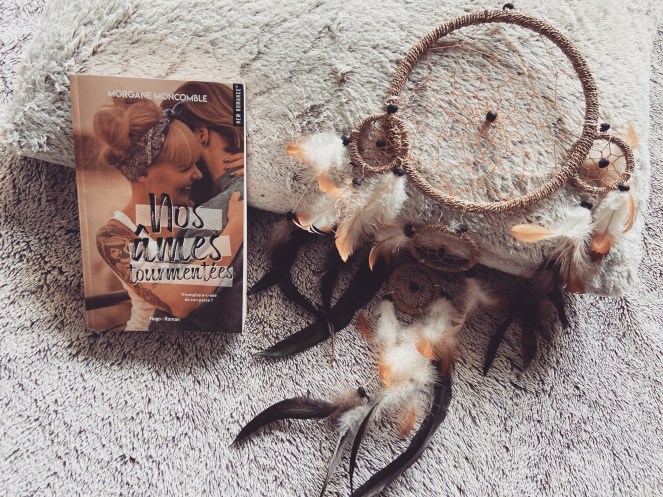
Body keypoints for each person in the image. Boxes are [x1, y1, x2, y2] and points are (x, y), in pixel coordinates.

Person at [93, 97, 244, 331]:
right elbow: (179, 303)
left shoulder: (197, 206)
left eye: (196, 164)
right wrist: (235, 227)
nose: (198, 175)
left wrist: (249, 169)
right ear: (143, 173)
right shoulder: (114, 236)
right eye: (185, 168)